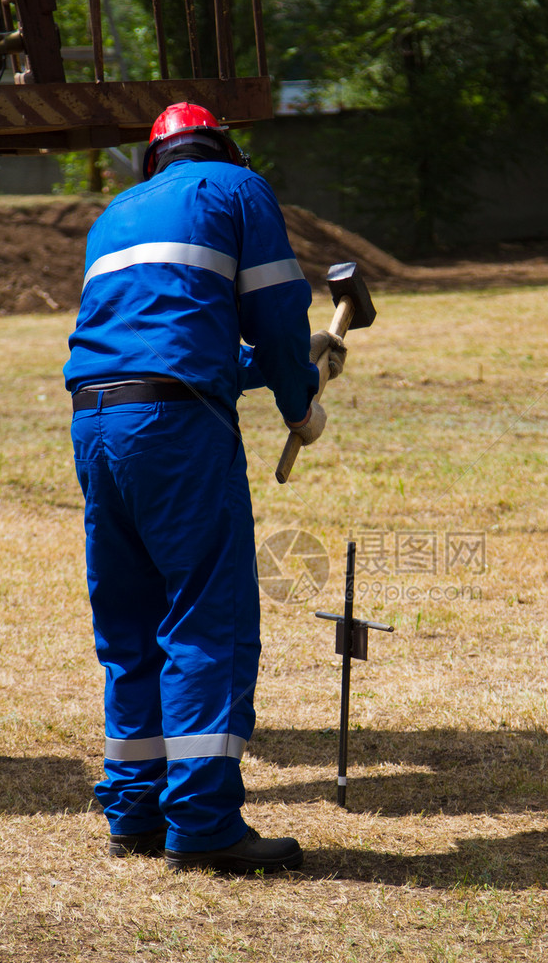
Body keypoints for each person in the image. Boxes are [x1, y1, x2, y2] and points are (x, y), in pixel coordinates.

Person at [65, 102, 345, 875]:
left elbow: (169, 345)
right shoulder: (235, 188)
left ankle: (136, 811)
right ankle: (204, 823)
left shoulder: (116, 211)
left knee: (130, 621)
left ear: (156, 159)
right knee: (204, 620)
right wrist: (302, 399)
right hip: (179, 432)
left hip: (97, 423)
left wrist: (291, 364)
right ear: (223, 146)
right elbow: (279, 314)